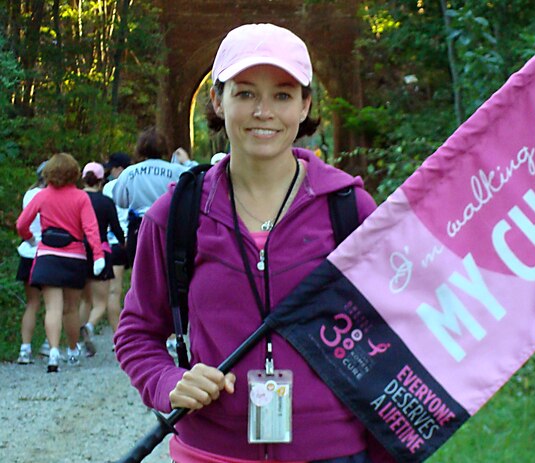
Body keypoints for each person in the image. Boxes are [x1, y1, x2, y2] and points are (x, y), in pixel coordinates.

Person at [115, 23, 393, 462]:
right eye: (245, 93)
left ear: (304, 106)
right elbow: (137, 332)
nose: (264, 111)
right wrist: (169, 382)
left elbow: (393, 333)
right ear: (217, 100)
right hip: (210, 452)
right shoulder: (176, 215)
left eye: (282, 95)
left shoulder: (349, 209)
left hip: (331, 452)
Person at [16, 153, 104, 372]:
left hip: (47, 256)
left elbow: (21, 223)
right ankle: (72, 351)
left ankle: (53, 353)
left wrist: (30, 238)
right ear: (74, 173)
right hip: (74, 257)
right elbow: (91, 229)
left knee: (52, 308)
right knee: (71, 309)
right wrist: (99, 255)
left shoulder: (42, 196)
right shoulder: (81, 197)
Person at [111, 127, 187, 267]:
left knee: (141, 272)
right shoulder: (177, 171)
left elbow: (119, 200)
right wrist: (187, 162)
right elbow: (194, 186)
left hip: (138, 227)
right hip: (169, 226)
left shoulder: (130, 172)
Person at [79, 162, 125, 356]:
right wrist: (123, 243)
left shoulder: (76, 198)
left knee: (84, 300)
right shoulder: (105, 202)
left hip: (79, 252)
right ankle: (89, 326)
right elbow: (115, 228)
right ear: (100, 181)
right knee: (101, 301)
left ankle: (80, 343)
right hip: (101, 252)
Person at [15, 161, 47, 364]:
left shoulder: (29, 194)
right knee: (55, 303)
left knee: (32, 303)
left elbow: (23, 222)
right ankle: (48, 344)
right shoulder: (50, 195)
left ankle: (24, 349)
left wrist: (29, 238)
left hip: (28, 250)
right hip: (48, 251)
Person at [102, 151, 132, 346]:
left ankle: (118, 336)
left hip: (113, 241)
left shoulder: (108, 187)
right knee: (142, 289)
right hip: (134, 238)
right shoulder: (135, 181)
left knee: (114, 291)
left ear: (119, 168)